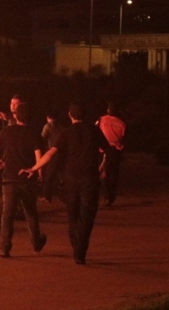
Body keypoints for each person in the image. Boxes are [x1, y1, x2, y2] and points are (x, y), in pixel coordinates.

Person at [21, 103, 110, 265]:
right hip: (90, 179)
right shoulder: (94, 130)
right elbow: (108, 150)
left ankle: (76, 247)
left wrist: (34, 168)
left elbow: (50, 154)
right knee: (87, 216)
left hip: (70, 180)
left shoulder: (66, 133)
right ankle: (80, 251)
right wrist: (103, 166)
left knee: (72, 216)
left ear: (70, 115)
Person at [0, 103, 48, 258]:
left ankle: (5, 247)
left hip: (9, 179)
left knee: (7, 213)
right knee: (30, 212)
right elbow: (39, 157)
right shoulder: (34, 134)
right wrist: (40, 173)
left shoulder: (7, 131)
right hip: (27, 179)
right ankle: (36, 243)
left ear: (15, 116)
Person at [96, 102, 126, 206]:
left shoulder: (101, 120)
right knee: (114, 173)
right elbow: (124, 138)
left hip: (103, 149)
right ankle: (111, 196)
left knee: (104, 172)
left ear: (108, 110)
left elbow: (95, 130)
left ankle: (106, 195)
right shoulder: (122, 123)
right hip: (116, 151)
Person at [40, 112, 64, 202]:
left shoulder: (48, 126)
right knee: (61, 175)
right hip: (62, 153)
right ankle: (64, 195)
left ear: (48, 117)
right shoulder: (61, 127)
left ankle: (47, 196)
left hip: (52, 153)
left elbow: (42, 138)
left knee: (49, 176)